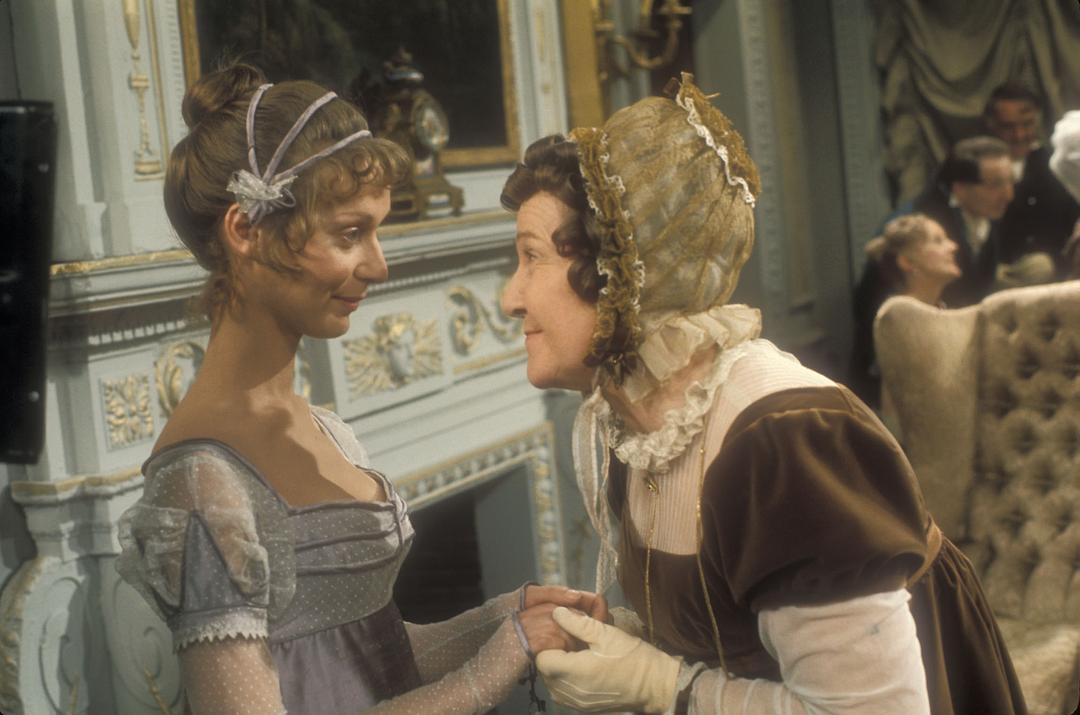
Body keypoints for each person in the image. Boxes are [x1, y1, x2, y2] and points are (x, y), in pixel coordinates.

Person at [499, 74, 1026, 714]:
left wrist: (662, 686)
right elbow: (735, 636)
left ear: (618, 272)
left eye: (531, 258)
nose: (511, 298)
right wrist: (632, 646)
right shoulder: (639, 425)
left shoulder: (784, 439)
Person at [115, 63, 605, 714]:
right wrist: (502, 657)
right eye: (351, 234)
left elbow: (365, 658)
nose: (379, 265)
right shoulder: (203, 482)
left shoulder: (323, 429)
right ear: (246, 231)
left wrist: (503, 617)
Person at [848, 215, 961, 407]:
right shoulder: (895, 317)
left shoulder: (939, 309)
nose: (953, 246)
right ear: (907, 262)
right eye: (938, 240)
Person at [985, 81, 1080, 277]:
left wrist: (1055, 264)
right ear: (991, 124)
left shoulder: (1059, 168)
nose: (1019, 135)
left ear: (1037, 120)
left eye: (1027, 124)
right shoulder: (973, 170)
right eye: (1008, 127)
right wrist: (987, 272)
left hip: (1054, 280)